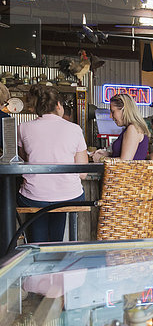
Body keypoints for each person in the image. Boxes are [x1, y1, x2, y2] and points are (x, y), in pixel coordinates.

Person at [17, 85, 88, 242]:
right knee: (60, 200)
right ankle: (55, 249)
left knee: (40, 201)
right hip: (70, 196)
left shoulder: (23, 128)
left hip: (34, 196)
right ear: (58, 105)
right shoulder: (75, 129)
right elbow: (83, 173)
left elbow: (22, 161)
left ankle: (37, 248)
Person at [92, 94, 150, 161]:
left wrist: (101, 159)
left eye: (113, 112)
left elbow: (124, 162)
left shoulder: (133, 129)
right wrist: (108, 154)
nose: (111, 116)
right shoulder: (131, 128)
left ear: (124, 109)